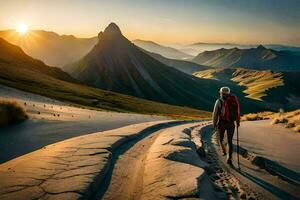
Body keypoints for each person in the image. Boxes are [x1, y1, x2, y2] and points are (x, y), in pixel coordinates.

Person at [212, 87, 240, 165]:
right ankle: (229, 158)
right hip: (231, 123)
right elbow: (237, 112)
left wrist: (214, 124)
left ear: (221, 93)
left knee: (220, 138)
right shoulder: (233, 100)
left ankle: (223, 150)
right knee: (230, 141)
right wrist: (238, 122)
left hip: (222, 123)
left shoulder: (219, 101)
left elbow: (215, 114)